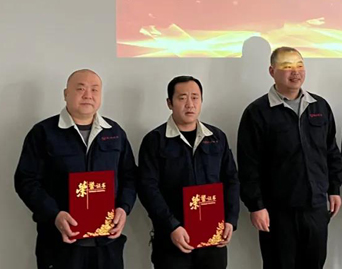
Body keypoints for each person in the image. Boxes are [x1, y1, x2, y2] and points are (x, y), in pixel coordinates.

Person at [15, 69, 137, 269]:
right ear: (66, 94)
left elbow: (130, 176)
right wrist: (54, 214)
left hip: (107, 245)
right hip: (60, 244)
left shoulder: (115, 133)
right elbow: (26, 181)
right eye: (80, 89)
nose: (88, 95)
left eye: (94, 90)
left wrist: (124, 208)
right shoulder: (44, 132)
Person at [237, 46, 342, 269]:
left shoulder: (320, 106)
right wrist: (256, 206)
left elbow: (331, 151)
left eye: (299, 65)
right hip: (277, 211)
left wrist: (334, 188)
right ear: (272, 71)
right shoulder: (257, 112)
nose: (295, 72)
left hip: (315, 206)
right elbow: (249, 165)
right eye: (287, 66)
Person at [138, 76, 239, 269]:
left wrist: (230, 220)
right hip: (172, 237)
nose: (190, 104)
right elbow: (147, 188)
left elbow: (231, 180)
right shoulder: (155, 140)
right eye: (182, 98)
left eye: (195, 97)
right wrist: (172, 226)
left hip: (213, 237)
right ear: (169, 103)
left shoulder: (217, 137)